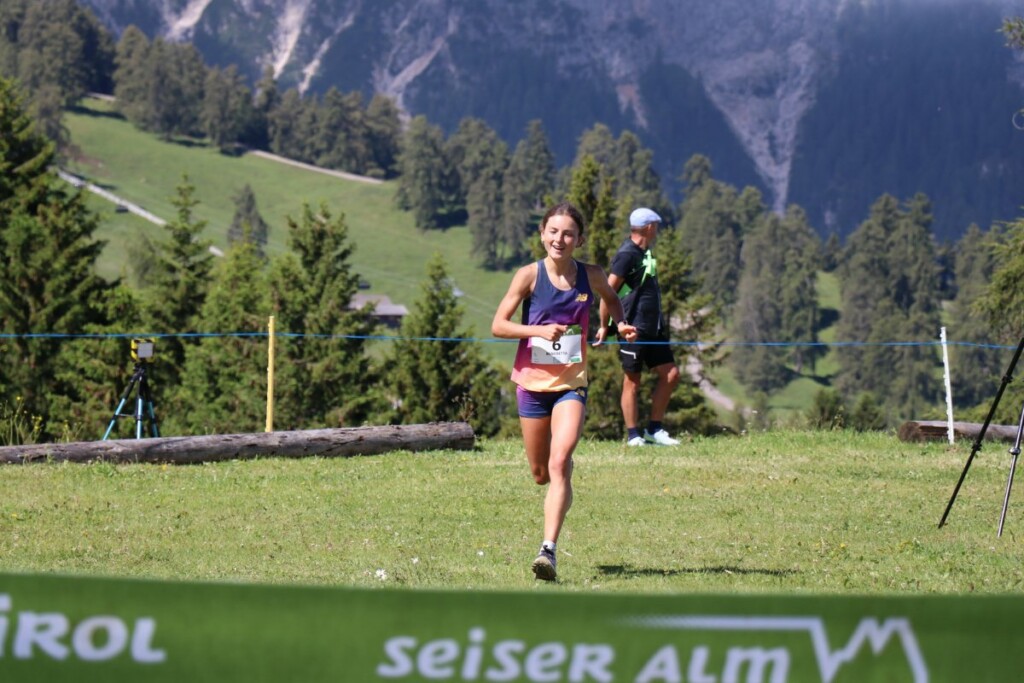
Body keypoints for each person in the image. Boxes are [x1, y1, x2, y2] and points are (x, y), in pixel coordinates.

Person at [492, 202, 637, 581]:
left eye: (568, 233)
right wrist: (538, 331)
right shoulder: (528, 276)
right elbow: (498, 326)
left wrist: (619, 325)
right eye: (553, 231)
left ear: (579, 239)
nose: (560, 239)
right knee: (541, 473)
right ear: (542, 235)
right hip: (532, 386)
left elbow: (612, 299)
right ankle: (558, 473)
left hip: (571, 385)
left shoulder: (591, 275)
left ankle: (548, 551)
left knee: (560, 463)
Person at [600, 207, 682, 447]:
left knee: (671, 374)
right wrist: (607, 326)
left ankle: (654, 430)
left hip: (653, 328)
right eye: (655, 225)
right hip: (633, 328)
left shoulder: (645, 252)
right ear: (648, 228)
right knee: (632, 381)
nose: (657, 230)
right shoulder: (627, 254)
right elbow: (608, 292)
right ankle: (633, 435)